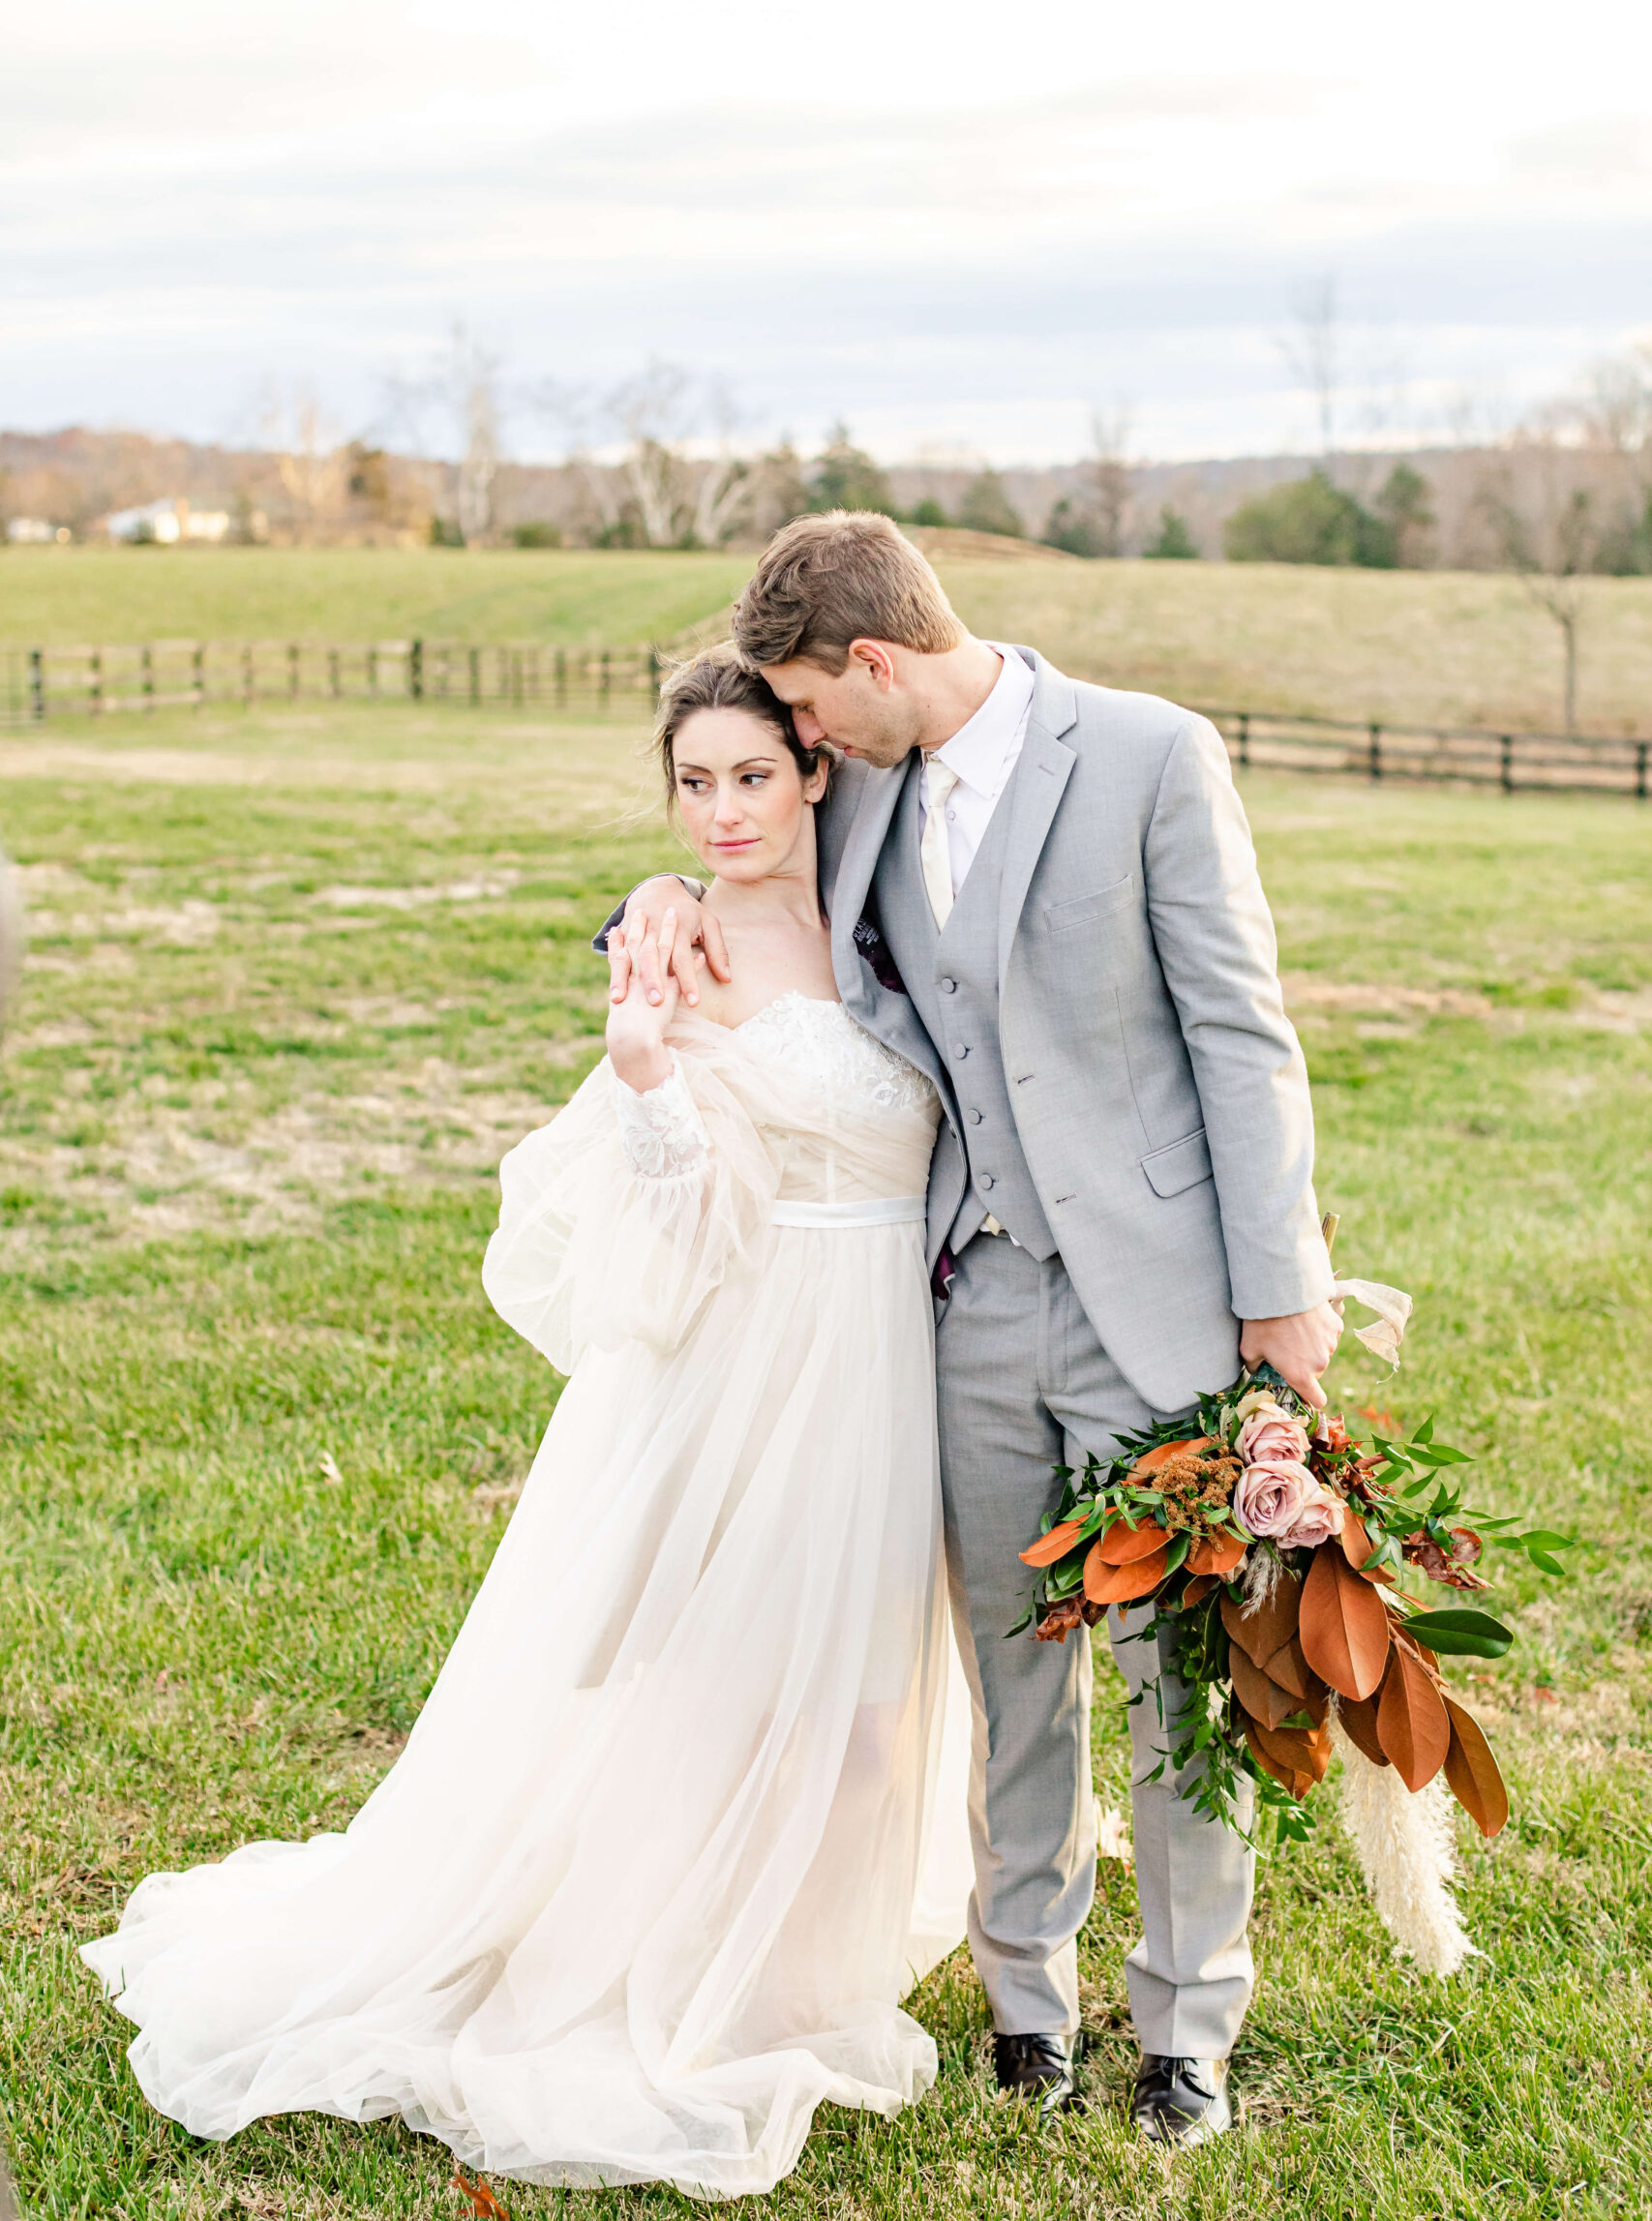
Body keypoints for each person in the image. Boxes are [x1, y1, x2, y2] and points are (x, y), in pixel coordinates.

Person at [82, 649, 972, 2201]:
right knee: (717, 1680)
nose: (721, 814)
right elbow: (675, 1228)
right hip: (762, 1358)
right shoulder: (676, 954)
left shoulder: (897, 911)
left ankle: (801, 1960)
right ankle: (675, 1968)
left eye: (751, 775)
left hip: (899, 1350)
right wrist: (642, 1081)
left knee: (873, 1700)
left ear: (817, 769)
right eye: (691, 784)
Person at [603, 512, 1344, 2147]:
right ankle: (1030, 2003)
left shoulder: (1152, 756)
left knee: (1178, 1685)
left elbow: (1243, 1028)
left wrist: (1280, 1291)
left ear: (874, 663)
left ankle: (1186, 2028)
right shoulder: (858, 783)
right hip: (964, 1298)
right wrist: (657, 893)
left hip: (1157, 1300)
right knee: (1015, 1672)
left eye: (811, 711)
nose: (803, 742)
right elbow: (749, 862)